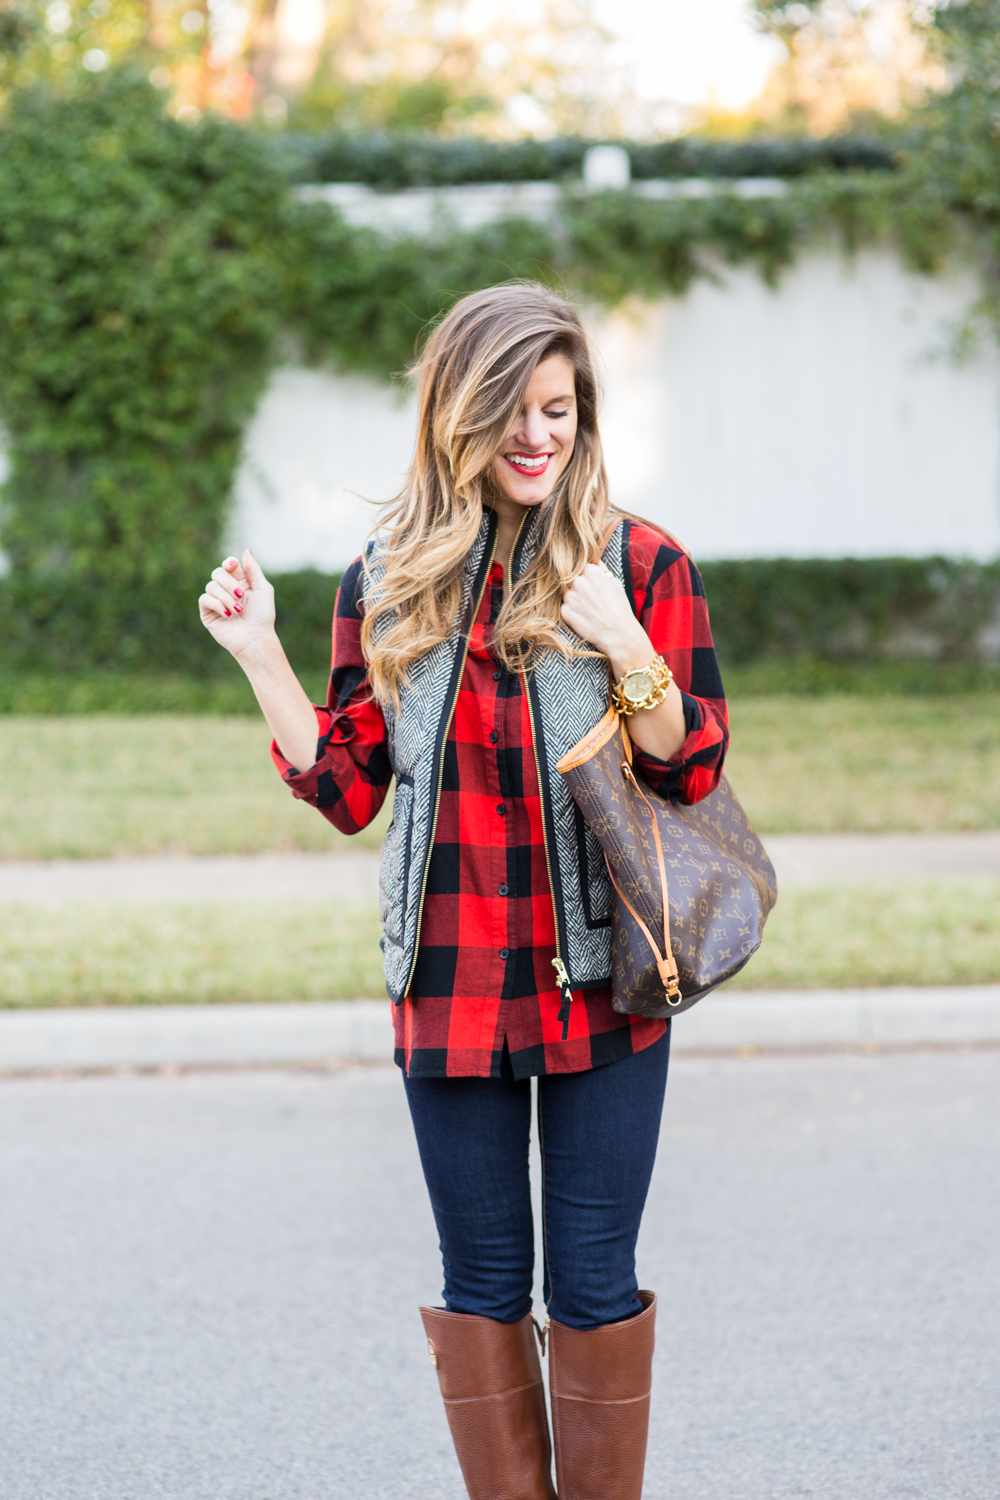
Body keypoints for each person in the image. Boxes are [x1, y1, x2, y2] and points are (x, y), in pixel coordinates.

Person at [199, 281, 729, 1500]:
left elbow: (692, 769)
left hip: (609, 985)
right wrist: (260, 652)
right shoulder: (387, 577)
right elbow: (346, 786)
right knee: (481, 1288)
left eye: (559, 408)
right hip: (449, 987)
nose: (537, 436)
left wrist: (626, 647)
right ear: (455, 416)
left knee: (594, 1284)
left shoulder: (638, 563)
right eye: (510, 411)